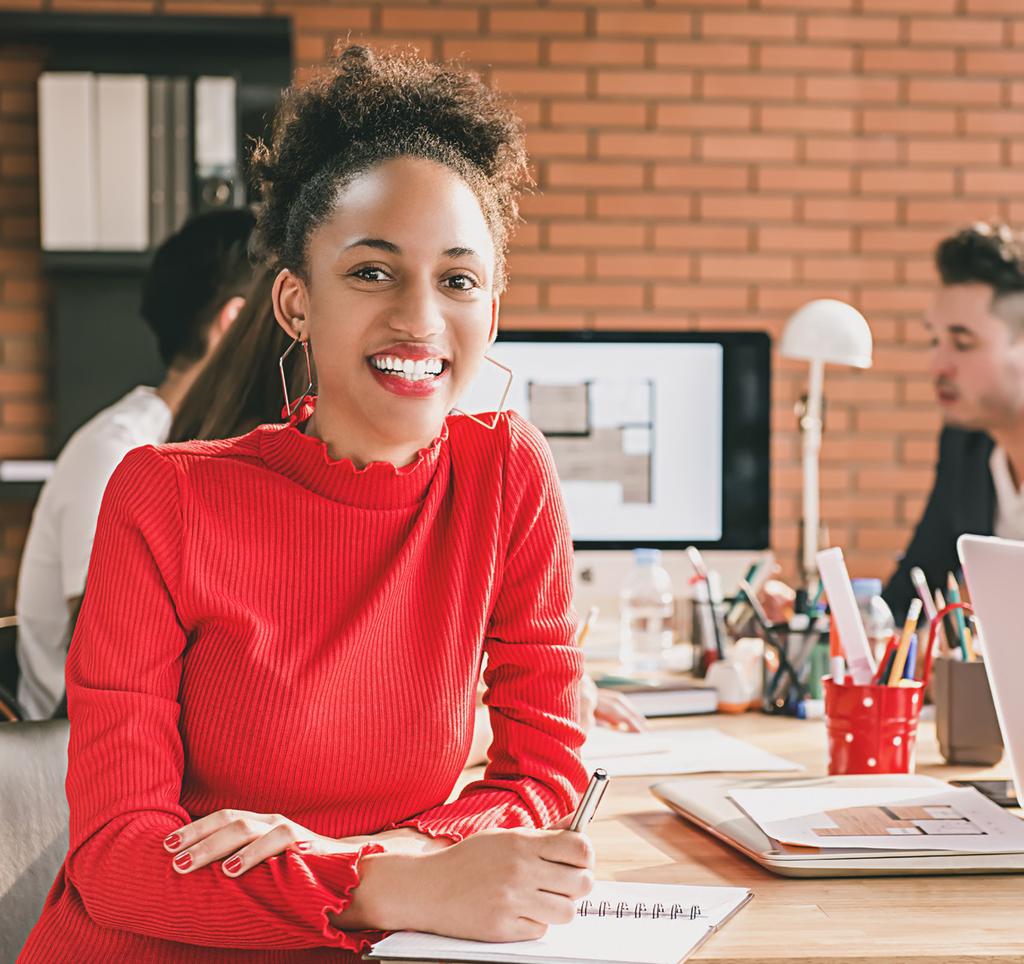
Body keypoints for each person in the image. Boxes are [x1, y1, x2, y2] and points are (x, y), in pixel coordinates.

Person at [21, 45, 596, 962]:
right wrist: (387, 884)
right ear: (295, 301)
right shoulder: (164, 494)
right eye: (372, 271)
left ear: (491, 311)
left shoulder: (505, 473)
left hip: (382, 938)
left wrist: (387, 860)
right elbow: (116, 858)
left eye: (457, 280)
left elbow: (548, 771)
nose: (419, 316)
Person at [14, 208, 256, 720]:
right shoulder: (117, 453)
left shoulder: (211, 453)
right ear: (232, 324)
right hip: (73, 761)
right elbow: (111, 658)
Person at [883, 222, 1024, 619]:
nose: (938, 366)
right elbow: (911, 593)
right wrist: (819, 624)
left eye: (963, 343)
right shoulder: (966, 445)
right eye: (935, 340)